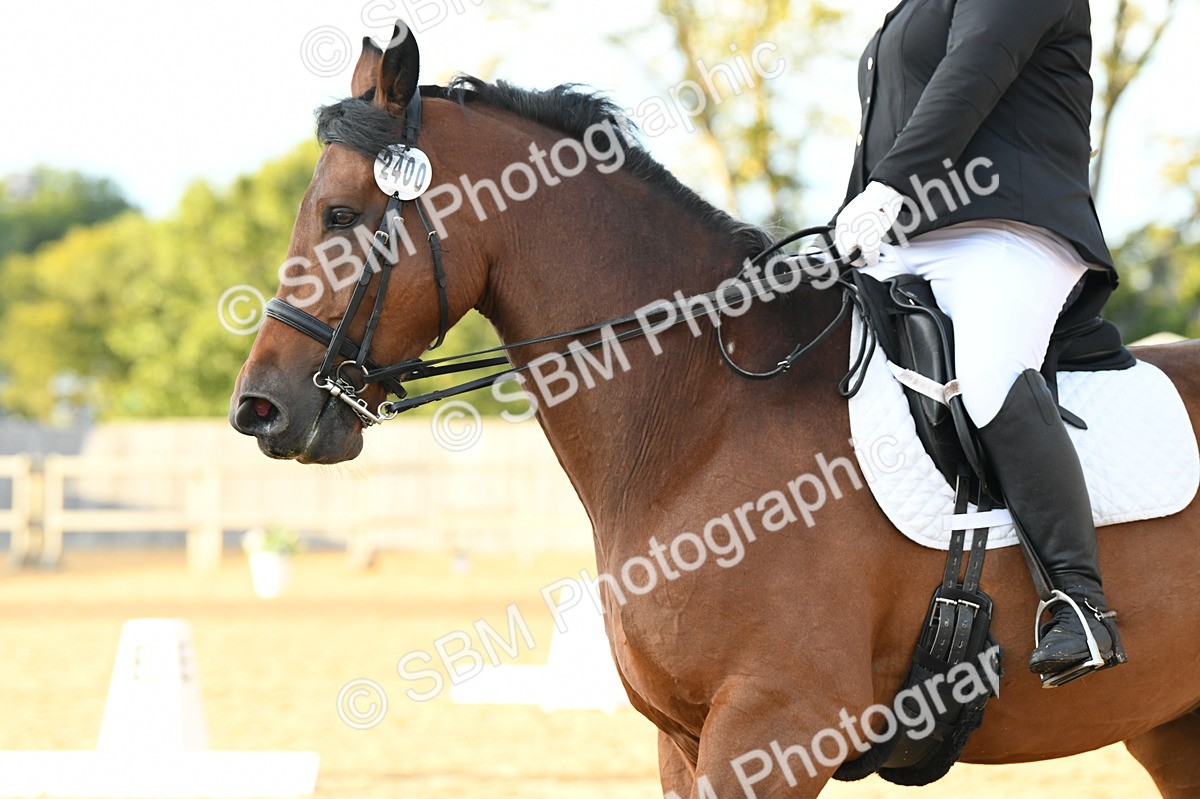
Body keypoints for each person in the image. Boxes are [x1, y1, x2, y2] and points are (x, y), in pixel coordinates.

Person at [832, 0, 1126, 684]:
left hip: (1007, 226)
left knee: (990, 372)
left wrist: (887, 191)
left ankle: (1080, 604)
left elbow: (971, 74)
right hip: (902, 241)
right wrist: (842, 228)